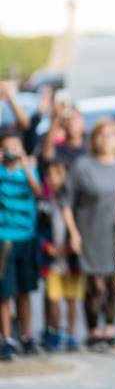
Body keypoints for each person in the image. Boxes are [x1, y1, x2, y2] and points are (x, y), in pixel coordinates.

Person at [66, 117, 115, 351]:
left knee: (113, 283)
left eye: (110, 134)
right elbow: (67, 202)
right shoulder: (82, 165)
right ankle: (92, 331)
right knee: (94, 285)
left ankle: (109, 330)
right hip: (89, 231)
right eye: (101, 134)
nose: (105, 139)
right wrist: (73, 234)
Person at [0, 127, 43, 361]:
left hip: (26, 237)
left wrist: (26, 165)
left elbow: (38, 193)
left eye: (16, 148)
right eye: (7, 148)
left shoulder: (29, 170)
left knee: (25, 291)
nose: (12, 153)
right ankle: (7, 339)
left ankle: (26, 335)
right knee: (5, 292)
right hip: (4, 239)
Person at [37, 158, 83, 351]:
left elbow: (81, 227)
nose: (54, 179)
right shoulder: (45, 202)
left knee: (71, 298)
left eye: (59, 174)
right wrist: (45, 245)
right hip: (52, 259)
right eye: (51, 175)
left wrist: (69, 246)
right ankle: (55, 329)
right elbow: (38, 228)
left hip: (71, 259)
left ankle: (72, 334)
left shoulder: (75, 203)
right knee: (53, 297)